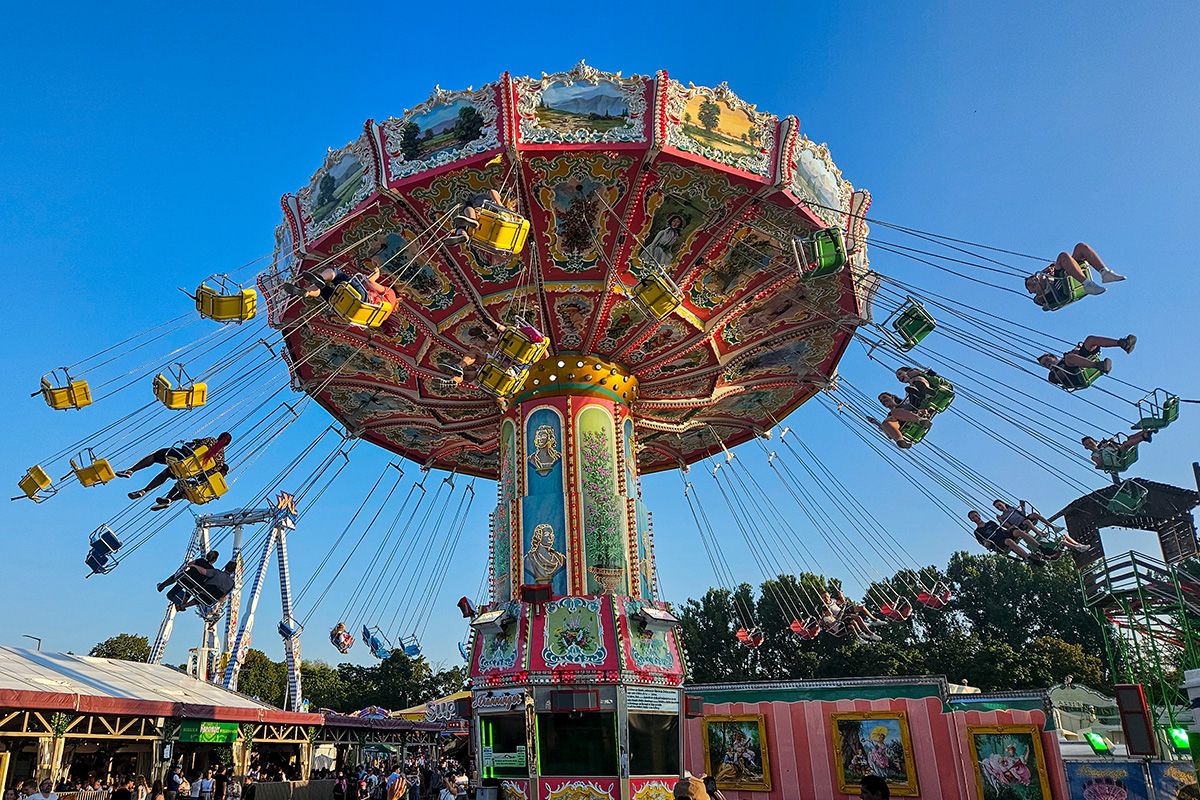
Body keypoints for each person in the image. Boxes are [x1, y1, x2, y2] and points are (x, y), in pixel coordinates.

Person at [119, 433, 232, 500]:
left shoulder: (210, 440)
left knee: (155, 456)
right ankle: (144, 491)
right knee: (167, 474)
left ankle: (131, 470)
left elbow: (193, 445)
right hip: (188, 471)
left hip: (182, 460)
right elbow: (210, 473)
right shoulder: (221, 460)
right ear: (226, 444)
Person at [1025, 243, 1124, 308]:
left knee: (1080, 247)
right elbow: (1040, 297)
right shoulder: (1038, 297)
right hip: (1060, 288)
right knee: (1062, 256)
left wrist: (1049, 270)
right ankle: (1087, 284)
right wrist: (1042, 276)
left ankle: (1105, 273)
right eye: (1030, 285)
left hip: (1063, 277)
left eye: (1033, 279)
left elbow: (1052, 268)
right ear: (1030, 292)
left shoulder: (1047, 276)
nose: (1033, 282)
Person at [1038, 335, 1136, 388]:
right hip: (1074, 375)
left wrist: (1076, 351)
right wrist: (1058, 368)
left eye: (1047, 360)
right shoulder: (1052, 375)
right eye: (1044, 365)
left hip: (1079, 360)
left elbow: (1077, 353)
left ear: (1053, 357)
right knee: (1070, 358)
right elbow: (1059, 377)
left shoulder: (1066, 355)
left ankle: (1122, 344)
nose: (1047, 364)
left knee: (1090, 340)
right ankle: (1098, 365)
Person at [992, 500, 1089, 552]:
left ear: (1003, 504)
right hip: (1020, 525)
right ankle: (1039, 532)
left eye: (1000, 505)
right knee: (1028, 523)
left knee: (1034, 515)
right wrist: (1001, 521)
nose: (1000, 508)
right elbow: (1008, 526)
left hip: (1024, 519)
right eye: (998, 507)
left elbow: (1022, 513)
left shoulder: (1012, 508)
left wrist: (1022, 507)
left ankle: (1053, 527)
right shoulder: (1003, 516)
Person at [150, 463, 230, 511]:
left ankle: (168, 499)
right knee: (186, 493)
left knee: (181, 483)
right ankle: (170, 500)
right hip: (201, 497)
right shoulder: (221, 482)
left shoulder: (213, 473)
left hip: (197, 488)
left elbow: (200, 476)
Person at [968, 510, 1039, 561]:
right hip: (998, 542)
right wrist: (987, 543)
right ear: (972, 520)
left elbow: (1001, 529)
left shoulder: (990, 523)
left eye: (976, 515)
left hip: (1004, 534)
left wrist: (1010, 527)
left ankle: (1039, 546)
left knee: (1018, 532)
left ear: (979, 515)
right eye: (973, 517)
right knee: (1009, 541)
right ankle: (1028, 557)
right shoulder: (977, 532)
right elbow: (983, 543)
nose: (976, 518)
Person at [867, 393, 933, 449]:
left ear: (892, 397)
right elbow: (887, 430)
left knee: (894, 412)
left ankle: (921, 420)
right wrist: (875, 422)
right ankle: (900, 440)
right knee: (885, 423)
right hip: (901, 425)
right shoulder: (890, 416)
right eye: (881, 401)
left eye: (884, 397)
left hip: (913, 416)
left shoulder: (905, 403)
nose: (883, 401)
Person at [173, 559, 238, 612]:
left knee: (193, 586)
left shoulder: (217, 572)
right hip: (210, 599)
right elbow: (224, 595)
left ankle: (182, 604)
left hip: (203, 590)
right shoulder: (232, 584)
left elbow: (203, 571)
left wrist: (194, 566)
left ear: (226, 566)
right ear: (233, 571)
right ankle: (182, 606)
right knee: (203, 598)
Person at [1082, 431, 1152, 469]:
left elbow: (1117, 448)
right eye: (1087, 445)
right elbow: (1100, 463)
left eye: (1090, 442)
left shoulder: (1103, 444)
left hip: (1119, 453)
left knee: (1129, 439)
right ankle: (1144, 437)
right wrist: (1101, 450)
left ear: (1095, 441)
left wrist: (1111, 443)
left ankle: (1146, 431)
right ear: (1086, 448)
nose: (1090, 445)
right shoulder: (1094, 456)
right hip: (1117, 460)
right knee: (1126, 444)